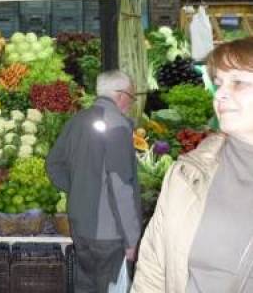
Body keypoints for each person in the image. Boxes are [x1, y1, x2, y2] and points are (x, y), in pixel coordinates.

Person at [132, 37, 253, 293]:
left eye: (238, 83)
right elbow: (152, 270)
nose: (220, 94)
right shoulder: (186, 174)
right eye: (219, 83)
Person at [47, 70, 142, 293]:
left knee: (85, 286)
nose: (131, 101)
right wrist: (132, 240)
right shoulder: (117, 125)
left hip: (80, 224)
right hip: (109, 234)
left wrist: (80, 189)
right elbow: (121, 188)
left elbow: (53, 164)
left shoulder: (76, 121)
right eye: (131, 95)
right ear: (120, 95)